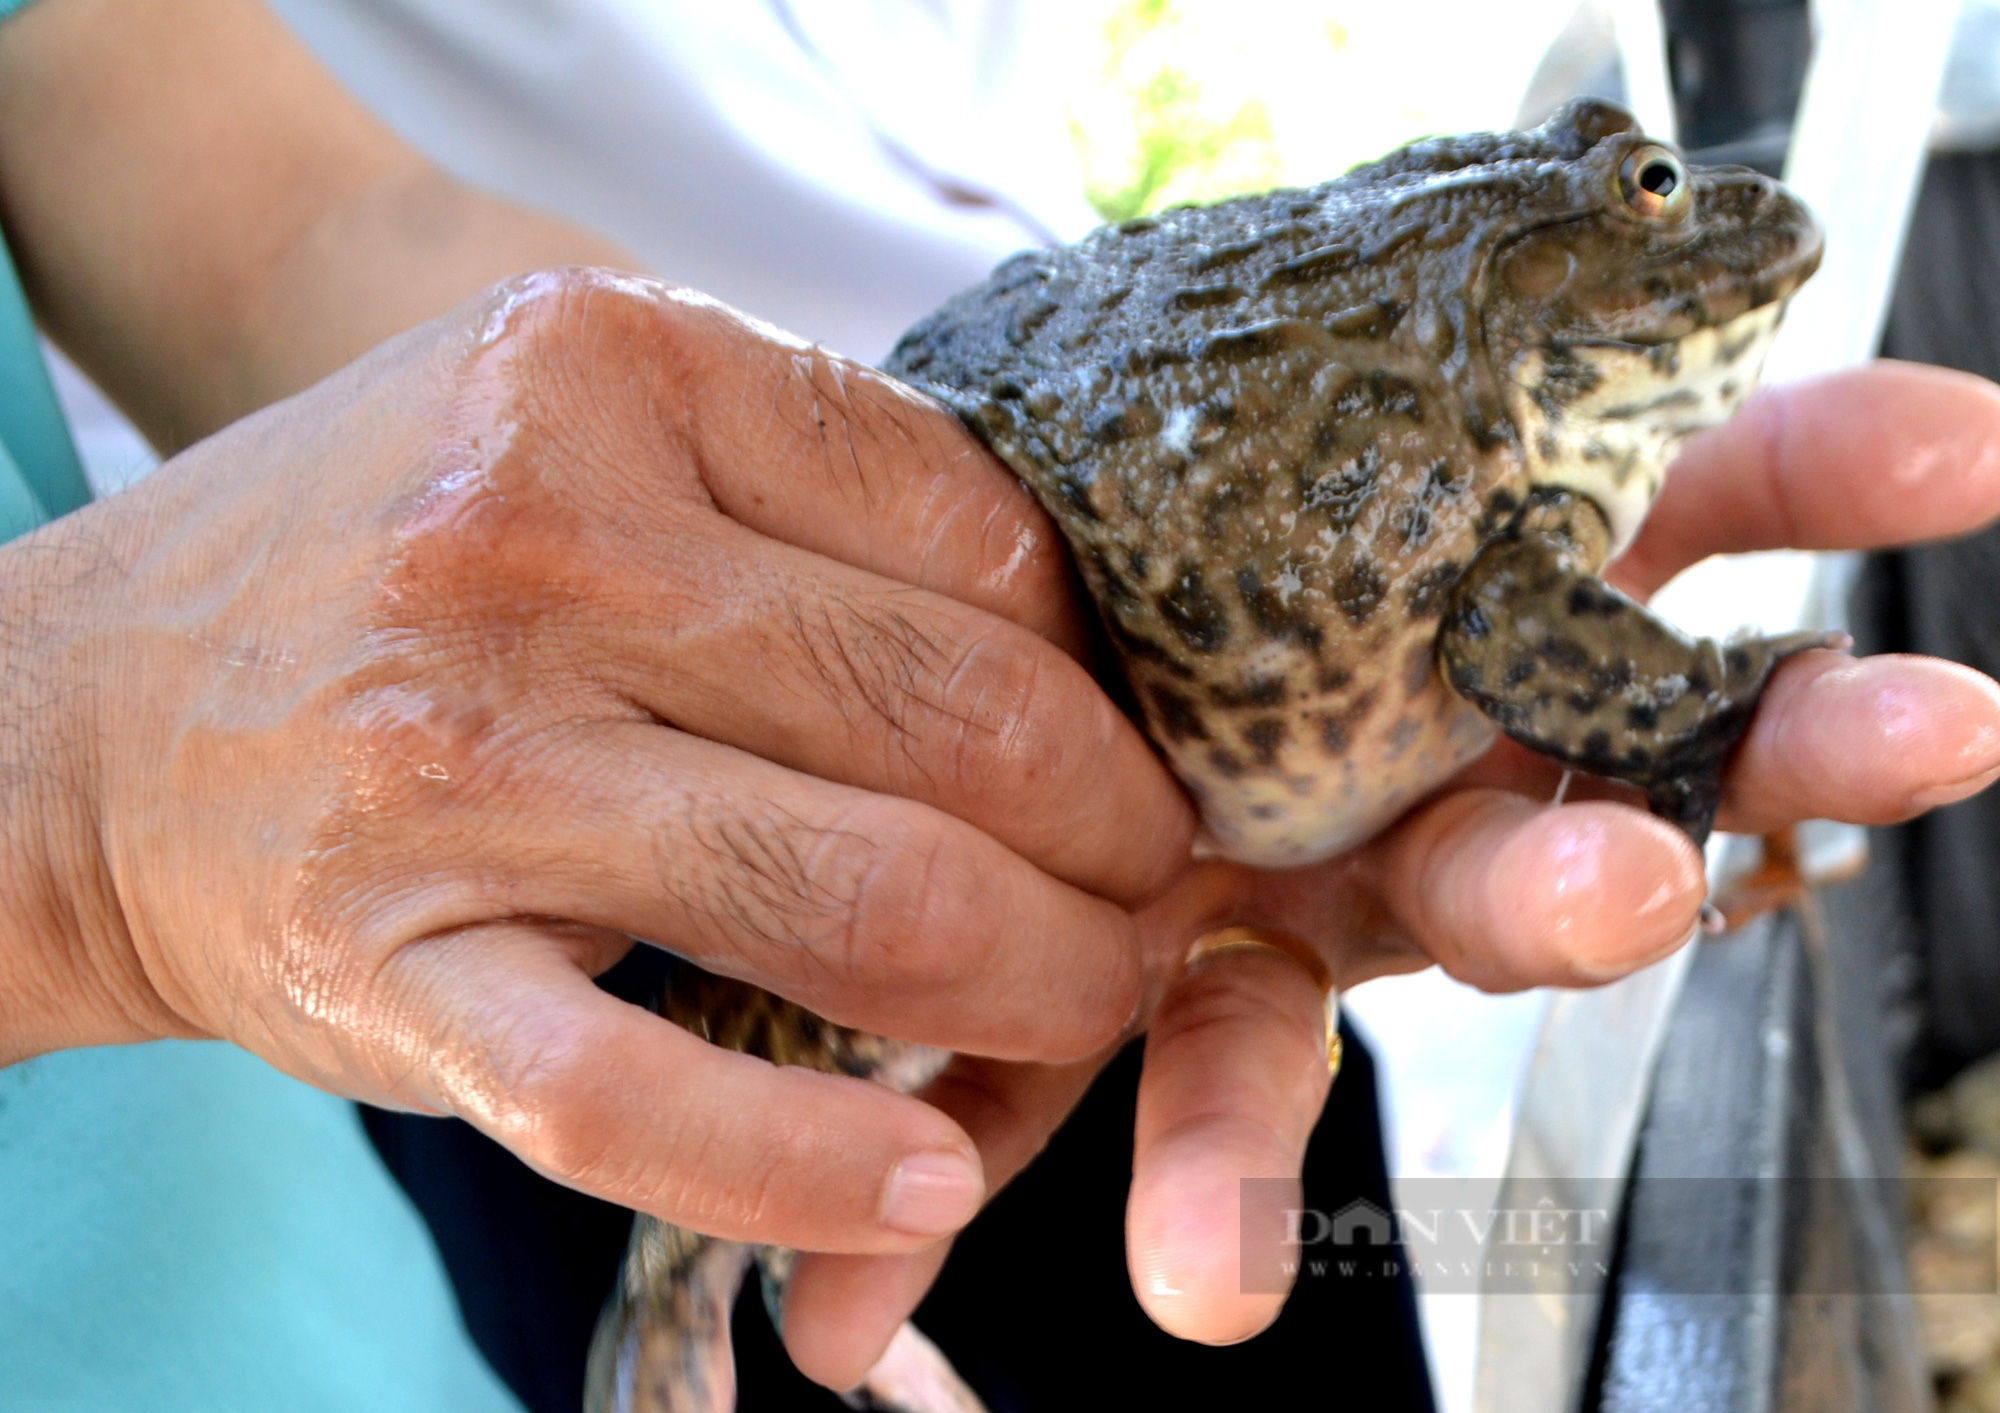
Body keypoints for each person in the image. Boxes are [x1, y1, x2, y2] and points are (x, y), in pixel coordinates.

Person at [5, 0, 2000, 1408]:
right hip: (336, 983)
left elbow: (279, 222)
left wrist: (654, 475)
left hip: (350, 1250)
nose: (1707, 219)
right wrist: (74, 811)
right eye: (1644, 190)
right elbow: (1518, 640)